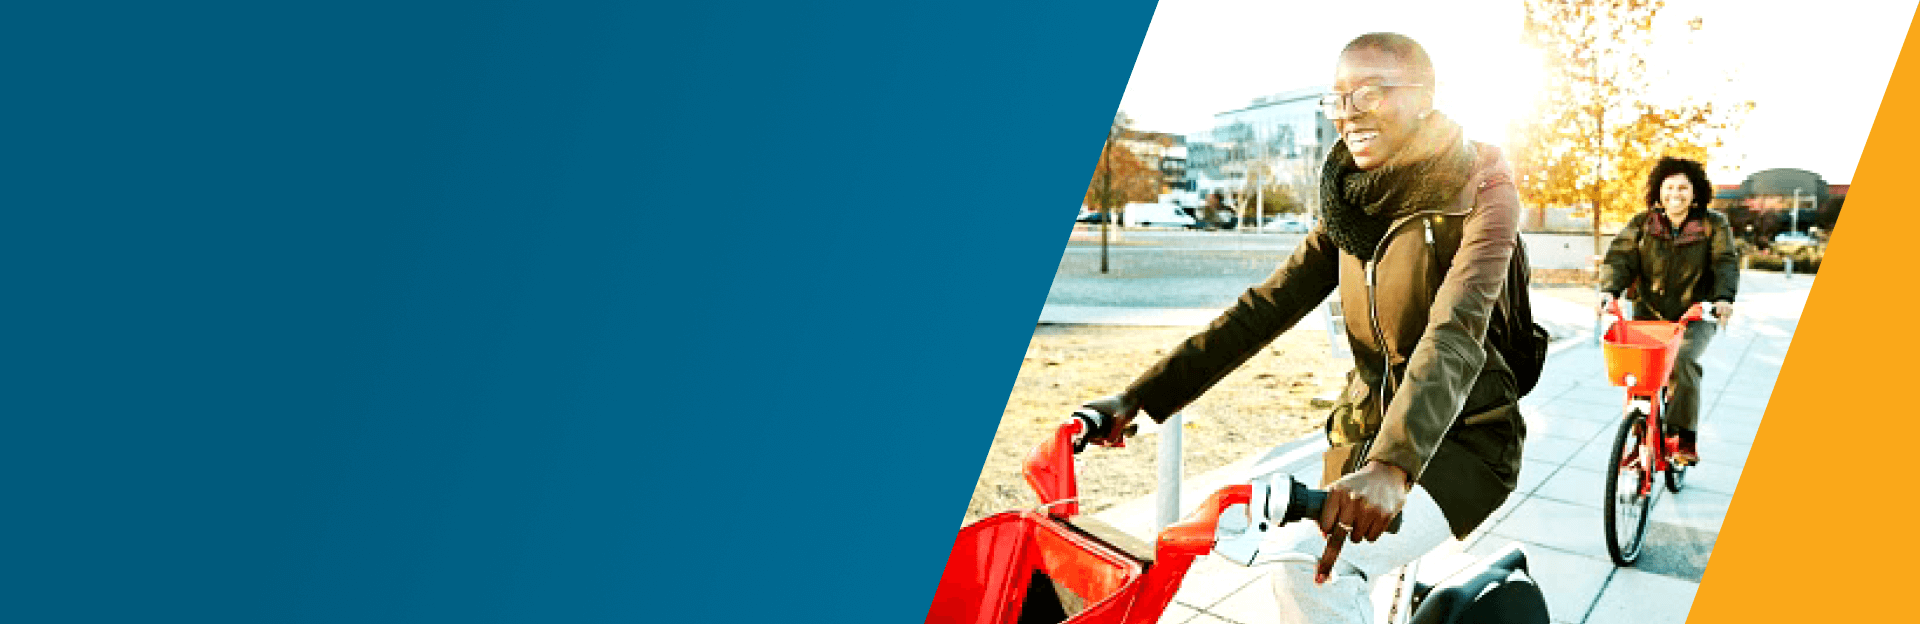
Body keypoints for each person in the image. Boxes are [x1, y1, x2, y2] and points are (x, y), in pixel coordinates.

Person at [1079, 32, 1525, 624]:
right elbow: (1262, 309)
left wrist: (1394, 466)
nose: (1348, 113)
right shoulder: (1349, 204)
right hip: (1362, 435)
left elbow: (1457, 329)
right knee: (1322, 577)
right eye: (1336, 98)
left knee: (1309, 570)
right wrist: (1140, 398)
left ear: (1424, 98)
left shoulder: (1482, 192)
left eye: (1370, 92)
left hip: (1464, 436)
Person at [1598, 157, 1738, 465]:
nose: (1676, 193)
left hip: (1695, 316)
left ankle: (1683, 437)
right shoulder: (1642, 223)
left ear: (1695, 192)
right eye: (1669, 187)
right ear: (1659, 192)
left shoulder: (1713, 225)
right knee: (1639, 374)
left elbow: (1725, 262)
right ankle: (1638, 438)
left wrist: (1723, 299)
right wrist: (1609, 291)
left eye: (1683, 188)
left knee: (1683, 362)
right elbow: (1620, 258)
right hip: (1649, 315)